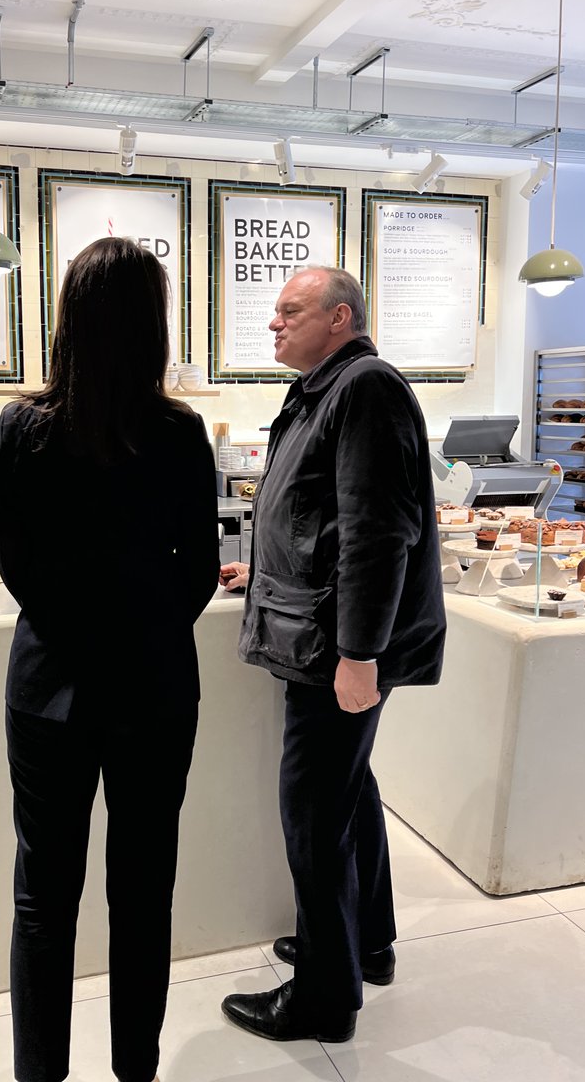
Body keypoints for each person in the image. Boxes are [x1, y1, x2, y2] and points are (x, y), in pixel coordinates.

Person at [0, 236, 220, 1082]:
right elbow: (197, 572)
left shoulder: (25, 425)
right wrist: (145, 630)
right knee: (143, 892)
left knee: (42, 901)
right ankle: (136, 1072)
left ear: (70, 319)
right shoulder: (179, 431)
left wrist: (78, 632)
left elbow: (17, 567)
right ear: (153, 325)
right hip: (155, 688)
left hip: (49, 686)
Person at [219, 266, 446, 1044]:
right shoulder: (327, 387)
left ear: (339, 317)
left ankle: (324, 994)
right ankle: (364, 943)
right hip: (318, 632)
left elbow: (380, 532)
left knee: (314, 813)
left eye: (290, 311)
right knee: (345, 794)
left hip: (332, 651)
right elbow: (325, 517)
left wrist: (359, 655)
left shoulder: (365, 388)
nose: (274, 325)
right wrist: (267, 569)